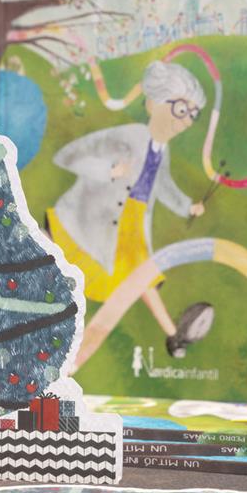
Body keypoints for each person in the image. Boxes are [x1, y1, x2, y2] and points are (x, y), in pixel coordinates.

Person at [47, 60, 214, 359]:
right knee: (108, 273)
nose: (186, 121)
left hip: (134, 222)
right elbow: (68, 156)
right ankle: (170, 336)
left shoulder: (162, 150)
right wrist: (109, 170)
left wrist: (188, 206)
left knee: (143, 277)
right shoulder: (130, 135)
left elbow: (164, 186)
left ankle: (174, 336)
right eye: (180, 109)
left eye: (193, 114)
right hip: (98, 218)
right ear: (154, 104)